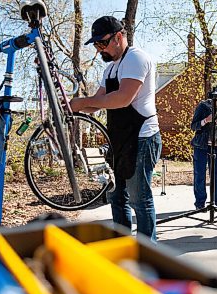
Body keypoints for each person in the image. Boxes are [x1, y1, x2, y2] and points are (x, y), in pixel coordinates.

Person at [69, 16, 161, 242]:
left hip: (142, 137)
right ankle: (121, 245)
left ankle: (148, 250)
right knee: (115, 195)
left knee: (139, 198)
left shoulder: (136, 59)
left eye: (102, 43)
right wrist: (73, 105)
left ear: (118, 37)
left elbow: (122, 98)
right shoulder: (110, 69)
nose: (100, 49)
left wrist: (83, 103)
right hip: (118, 139)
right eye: (97, 45)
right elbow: (96, 102)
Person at [190, 87, 217, 212]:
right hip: (201, 146)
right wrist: (207, 120)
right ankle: (200, 203)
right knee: (200, 174)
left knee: (216, 175)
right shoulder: (203, 106)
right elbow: (193, 126)